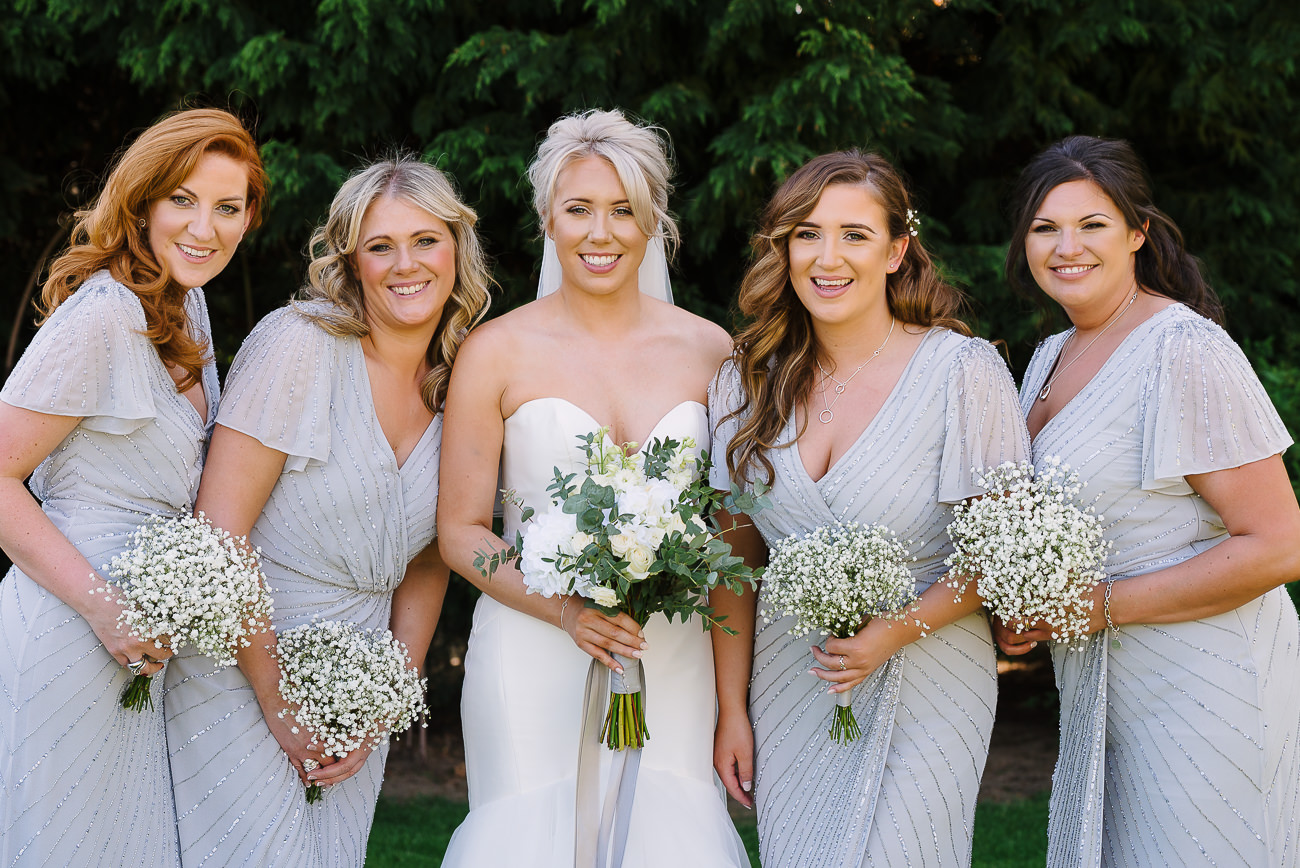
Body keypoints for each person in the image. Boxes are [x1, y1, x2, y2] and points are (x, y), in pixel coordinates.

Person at [437, 108, 748, 867]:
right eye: (578, 209)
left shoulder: (713, 351)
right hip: (530, 646)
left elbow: (734, 539)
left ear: (653, 223)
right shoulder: (495, 350)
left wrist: (734, 707)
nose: (600, 233)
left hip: (672, 657)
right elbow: (461, 534)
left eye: (623, 211)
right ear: (548, 217)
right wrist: (569, 611)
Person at [162, 155, 489, 868]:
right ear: (351, 261)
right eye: (380, 246)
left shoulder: (463, 379)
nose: (407, 264)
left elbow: (430, 560)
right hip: (240, 674)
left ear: (457, 248)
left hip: (354, 692)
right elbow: (220, 535)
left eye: (426, 240)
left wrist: (382, 701)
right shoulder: (300, 346)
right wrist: (277, 700)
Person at [709, 150, 1031, 868]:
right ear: (784, 249)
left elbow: (1004, 550)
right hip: (792, 677)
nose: (829, 257)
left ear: (896, 251)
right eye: (807, 234)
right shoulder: (741, 381)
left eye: (855, 234)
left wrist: (896, 630)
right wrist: (731, 708)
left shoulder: (959, 371)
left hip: (931, 671)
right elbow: (732, 558)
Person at [994, 135, 1300, 868]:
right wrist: (1025, 607)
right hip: (1106, 682)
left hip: (1206, 681)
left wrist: (1090, 606)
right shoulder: (1049, 356)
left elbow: (1278, 544)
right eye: (1045, 228)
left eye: (1092, 224)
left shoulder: (1182, 349)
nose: (1066, 246)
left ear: (1137, 233)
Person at [0, 108, 264, 866]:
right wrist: (103, 609)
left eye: (227, 207)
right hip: (71, 626)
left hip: (139, 643)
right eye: (183, 200)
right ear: (142, 203)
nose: (204, 228)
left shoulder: (190, 305)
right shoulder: (106, 315)